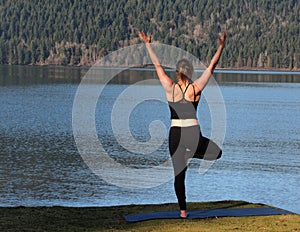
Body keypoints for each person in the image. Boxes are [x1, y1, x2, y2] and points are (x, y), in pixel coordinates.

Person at [138, 31, 226, 218]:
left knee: (179, 175)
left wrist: (148, 44)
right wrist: (221, 46)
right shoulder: (195, 88)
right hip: (192, 133)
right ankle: (190, 154)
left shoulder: (171, 87)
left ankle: (183, 212)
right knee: (217, 153)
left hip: (175, 133)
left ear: (177, 73)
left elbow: (157, 65)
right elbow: (212, 66)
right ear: (191, 73)